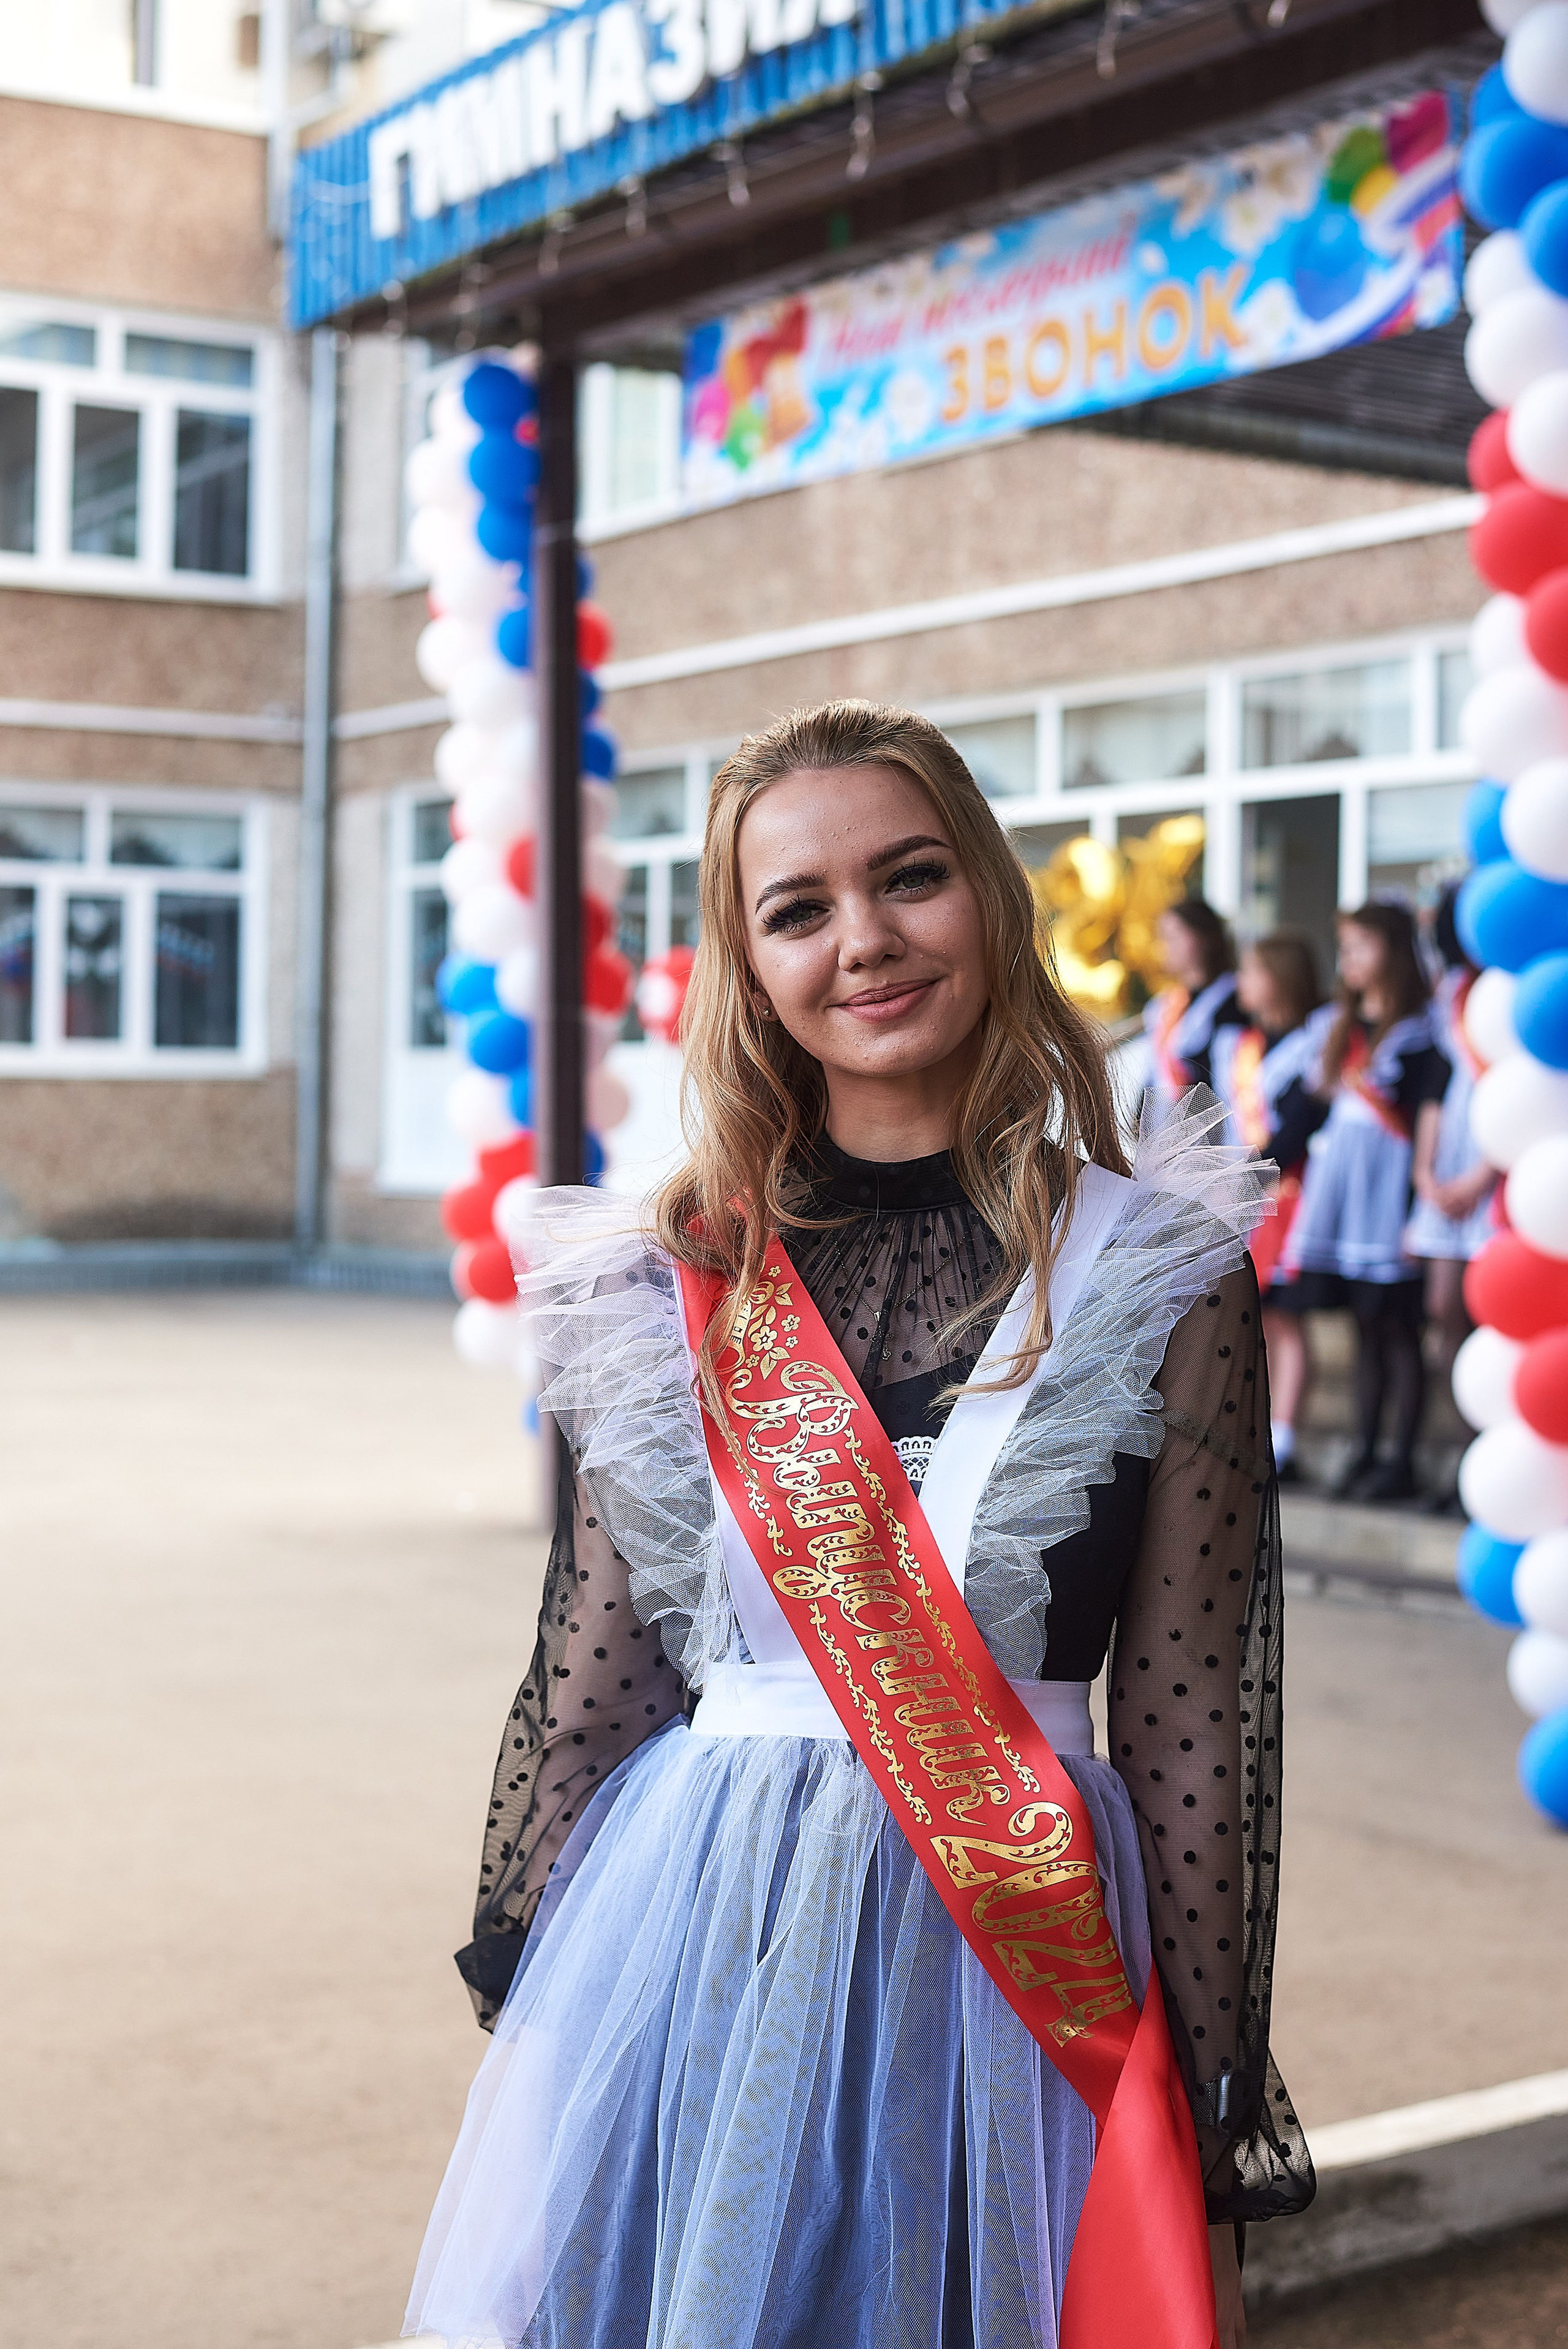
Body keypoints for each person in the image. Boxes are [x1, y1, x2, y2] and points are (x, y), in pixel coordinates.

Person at [407, 702, 1314, 2349]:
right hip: (707, 1938)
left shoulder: (1160, 1274)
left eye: (909, 877)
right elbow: (597, 1691)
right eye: (798, 907)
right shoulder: (666, 1279)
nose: (865, 940)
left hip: (1019, 1980)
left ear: (990, 896)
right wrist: (553, 2057)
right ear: (749, 968)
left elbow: (1191, 1719)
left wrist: (1204, 2112)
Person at [1283, 902, 1449, 1505]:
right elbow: (1308, 1112)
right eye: (1346, 947)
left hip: (1390, 1202)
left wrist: (1417, 1209)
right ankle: (1365, 1449)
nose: (1349, 958)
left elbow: (1427, 1123)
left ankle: (1400, 1458)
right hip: (1343, 1202)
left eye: (1362, 945)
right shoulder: (1339, 1027)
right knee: (1363, 1330)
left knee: (1398, 1329)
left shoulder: (1423, 1033)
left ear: (1396, 951)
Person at [1215, 933, 1328, 1485]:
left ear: (1280, 977)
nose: (1242, 982)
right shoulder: (1242, 1045)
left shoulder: (1314, 1043)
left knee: (1285, 1317)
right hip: (1246, 1196)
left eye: (1253, 971)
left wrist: (1254, 1170)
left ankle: (1287, 1438)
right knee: (1256, 1318)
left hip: (1290, 1196)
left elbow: (1302, 1124)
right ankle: (1256, 1431)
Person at [1405, 887, 1498, 1510]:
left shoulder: (1507, 989)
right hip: (1446, 1169)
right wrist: (1426, 1172)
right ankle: (1466, 1452)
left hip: (1497, 1175)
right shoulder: (1449, 994)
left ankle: (1491, 1455)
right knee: (1443, 1308)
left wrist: (1481, 1177)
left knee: (1490, 1311)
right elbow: (1435, 1088)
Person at [1143, 899, 1248, 1136]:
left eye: (1174, 936)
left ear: (1204, 937)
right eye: (1163, 937)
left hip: (1213, 1133)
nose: (1166, 946)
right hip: (1167, 1130)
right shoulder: (1169, 1003)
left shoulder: (1235, 1001)